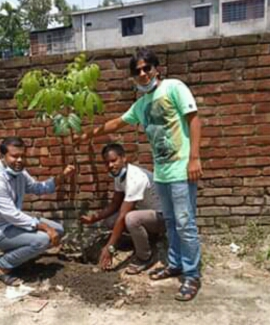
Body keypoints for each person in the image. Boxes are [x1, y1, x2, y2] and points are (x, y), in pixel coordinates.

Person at [76, 47, 203, 301]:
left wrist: (194, 157)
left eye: (147, 68)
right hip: (162, 173)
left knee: (185, 223)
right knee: (171, 222)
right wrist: (89, 135)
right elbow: (116, 123)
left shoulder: (174, 88)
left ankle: (192, 274)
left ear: (157, 69)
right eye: (137, 71)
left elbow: (194, 119)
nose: (143, 73)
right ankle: (175, 263)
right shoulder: (141, 104)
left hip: (180, 169)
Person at [0, 136, 75, 286]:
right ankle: (2, 265)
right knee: (43, 239)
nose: (20, 160)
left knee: (58, 230)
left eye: (23, 156)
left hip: (12, 224)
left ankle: (19, 255)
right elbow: (12, 215)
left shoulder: (19, 173)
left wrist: (63, 176)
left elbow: (38, 188)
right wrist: (45, 228)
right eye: (14, 156)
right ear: (3, 156)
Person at [80, 143, 164, 275]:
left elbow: (123, 215)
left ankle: (145, 256)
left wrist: (110, 247)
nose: (110, 166)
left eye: (114, 161)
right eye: (107, 163)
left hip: (161, 218)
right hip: (147, 215)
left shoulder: (135, 178)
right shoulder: (120, 176)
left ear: (124, 158)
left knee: (130, 219)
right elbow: (115, 204)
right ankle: (147, 238)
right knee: (110, 221)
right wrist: (94, 218)